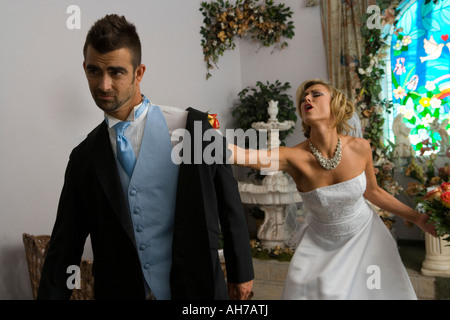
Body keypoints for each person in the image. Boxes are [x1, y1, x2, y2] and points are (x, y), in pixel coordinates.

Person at [37, 14, 253, 300]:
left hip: (195, 289)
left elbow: (229, 200)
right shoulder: (83, 158)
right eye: (94, 71)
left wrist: (241, 271)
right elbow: (66, 246)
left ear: (139, 73)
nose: (103, 85)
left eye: (116, 72)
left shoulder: (192, 128)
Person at [228, 79, 437, 300]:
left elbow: (373, 192)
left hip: (367, 239)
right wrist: (206, 136)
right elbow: (244, 157)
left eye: (316, 94)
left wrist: (417, 218)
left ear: (335, 104)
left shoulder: (360, 147)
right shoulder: (292, 157)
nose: (307, 98)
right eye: (303, 97)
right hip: (319, 246)